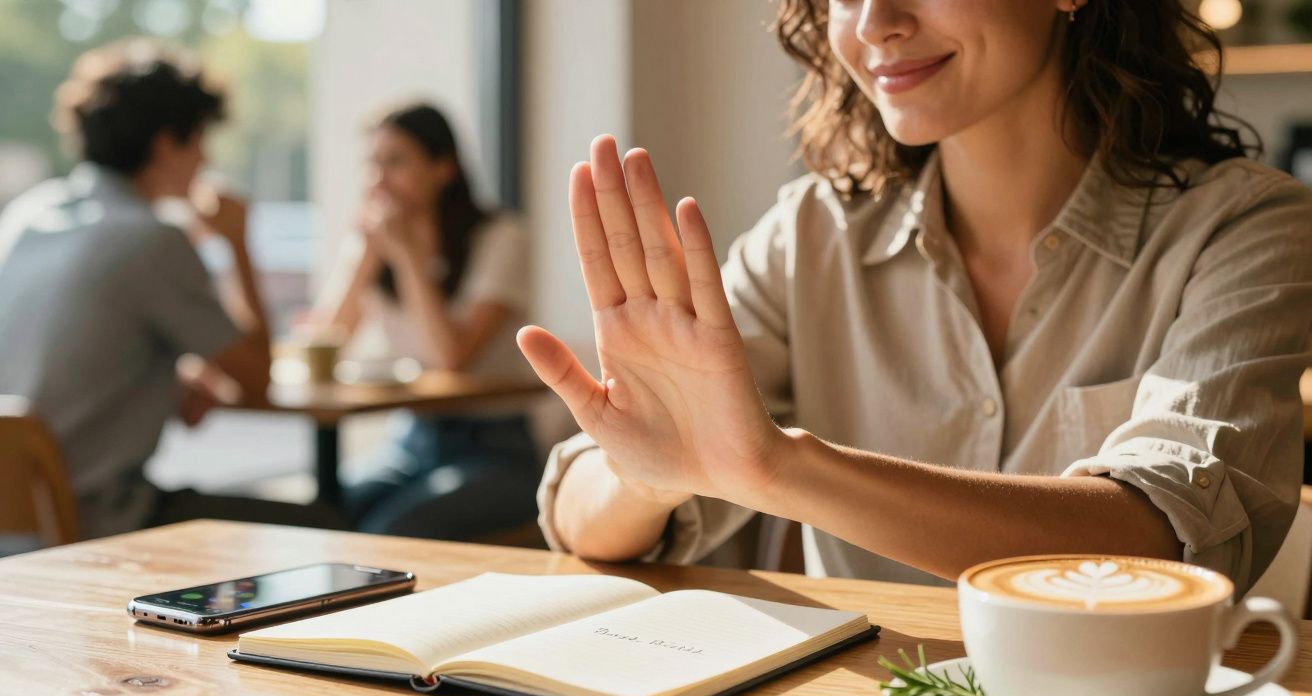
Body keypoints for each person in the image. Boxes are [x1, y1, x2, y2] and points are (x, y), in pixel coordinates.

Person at [519, 0, 1312, 596]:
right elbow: (583, 519)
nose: (873, 23)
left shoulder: (1245, 227)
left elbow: (1158, 543)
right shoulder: (810, 235)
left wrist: (780, 470)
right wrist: (647, 475)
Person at [0, 40, 343, 539]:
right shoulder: (151, 240)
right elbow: (254, 379)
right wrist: (238, 243)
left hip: (13, 526)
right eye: (200, 139)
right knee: (328, 526)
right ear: (165, 143)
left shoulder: (27, 216)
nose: (206, 157)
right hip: (96, 522)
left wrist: (166, 377)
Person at [315, 103, 539, 540]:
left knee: (389, 533)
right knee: (322, 515)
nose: (379, 181)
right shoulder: (377, 244)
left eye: (395, 162)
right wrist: (366, 254)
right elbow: (326, 343)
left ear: (443, 168)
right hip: (412, 439)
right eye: (372, 164)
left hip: (496, 449)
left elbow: (450, 357)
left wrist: (406, 256)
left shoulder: (500, 238)